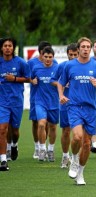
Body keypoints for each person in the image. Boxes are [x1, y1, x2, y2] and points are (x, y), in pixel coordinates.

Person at [57, 37, 96, 185]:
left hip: (90, 109)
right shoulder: (69, 66)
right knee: (77, 137)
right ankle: (74, 159)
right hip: (74, 106)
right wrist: (61, 95)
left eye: (88, 47)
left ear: (91, 49)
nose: (86, 49)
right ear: (78, 49)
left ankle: (80, 173)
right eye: (83, 47)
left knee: (87, 144)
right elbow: (61, 83)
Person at [0, 37, 30, 171]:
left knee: (15, 131)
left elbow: (29, 78)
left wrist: (15, 79)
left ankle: (14, 145)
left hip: (16, 101)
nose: (7, 48)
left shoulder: (21, 63)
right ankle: (3, 160)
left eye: (10, 46)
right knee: (2, 129)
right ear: (1, 48)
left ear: (13, 48)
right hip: (2, 102)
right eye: (5, 45)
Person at [51, 43, 78, 168]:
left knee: (78, 133)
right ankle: (65, 156)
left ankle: (75, 158)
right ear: (67, 54)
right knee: (66, 130)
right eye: (70, 54)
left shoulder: (83, 67)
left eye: (75, 54)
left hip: (79, 104)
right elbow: (53, 80)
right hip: (65, 103)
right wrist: (62, 85)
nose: (72, 57)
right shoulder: (62, 66)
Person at [28, 41, 56, 159]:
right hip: (39, 101)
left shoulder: (58, 67)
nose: (48, 59)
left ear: (53, 57)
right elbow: (29, 77)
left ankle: (51, 150)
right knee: (40, 124)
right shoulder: (35, 67)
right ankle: (41, 149)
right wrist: (31, 81)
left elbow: (63, 80)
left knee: (53, 126)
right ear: (41, 56)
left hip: (54, 101)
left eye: (50, 57)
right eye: (46, 56)